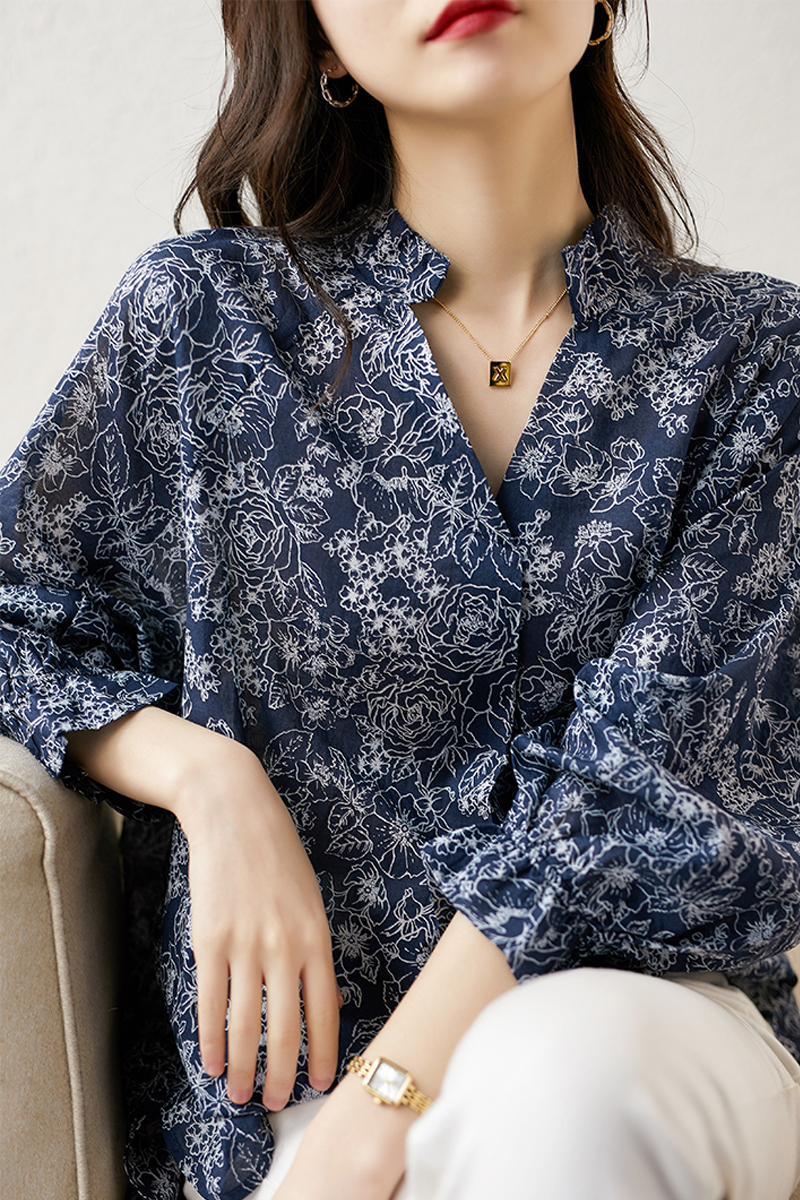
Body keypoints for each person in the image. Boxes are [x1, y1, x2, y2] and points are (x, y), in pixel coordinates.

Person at [1, 0, 799, 1197]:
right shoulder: (201, 323)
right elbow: (17, 605)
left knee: (562, 1077)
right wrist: (205, 777)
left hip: (644, 1040)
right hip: (280, 1086)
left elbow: (648, 790)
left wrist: (388, 1106)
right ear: (317, 38)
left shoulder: (757, 360)